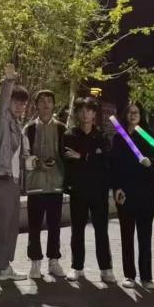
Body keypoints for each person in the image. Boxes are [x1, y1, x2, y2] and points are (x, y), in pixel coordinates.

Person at [0, 64, 30, 297]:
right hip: (0, 178)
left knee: (11, 228)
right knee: (1, 229)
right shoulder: (1, 119)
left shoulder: (17, 125)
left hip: (12, 181)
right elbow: (1, 104)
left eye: (23, 103)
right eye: (16, 101)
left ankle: (4, 267)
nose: (20, 106)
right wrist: (8, 81)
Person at [62, 97, 115, 283]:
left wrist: (82, 156)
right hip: (78, 190)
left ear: (94, 114)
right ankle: (77, 267)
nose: (85, 114)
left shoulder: (101, 136)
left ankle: (106, 268)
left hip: (99, 191)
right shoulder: (70, 135)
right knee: (77, 231)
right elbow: (68, 161)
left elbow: (105, 162)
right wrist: (91, 158)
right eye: (82, 110)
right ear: (77, 113)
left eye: (89, 111)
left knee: (101, 231)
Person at [110, 102, 154, 290]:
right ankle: (129, 275)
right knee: (127, 235)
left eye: (136, 112)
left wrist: (151, 162)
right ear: (124, 115)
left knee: (145, 236)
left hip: (146, 191)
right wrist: (116, 188)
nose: (133, 115)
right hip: (125, 193)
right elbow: (113, 165)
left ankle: (147, 276)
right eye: (129, 112)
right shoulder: (118, 137)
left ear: (141, 114)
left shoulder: (148, 134)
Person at [24, 90, 67, 280]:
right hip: (36, 185)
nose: (46, 104)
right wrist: (37, 163)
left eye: (49, 101)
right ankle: (35, 262)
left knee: (54, 225)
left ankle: (54, 260)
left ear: (54, 105)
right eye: (42, 101)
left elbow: (66, 154)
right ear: (36, 105)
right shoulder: (29, 129)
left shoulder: (62, 128)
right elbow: (24, 156)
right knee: (34, 226)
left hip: (56, 184)